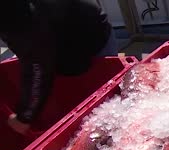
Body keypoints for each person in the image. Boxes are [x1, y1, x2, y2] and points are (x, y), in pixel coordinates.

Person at [0, 0, 117, 135]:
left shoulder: (19, 17)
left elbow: (38, 70)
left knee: (104, 110)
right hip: (56, 33)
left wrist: (24, 117)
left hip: (91, 39)